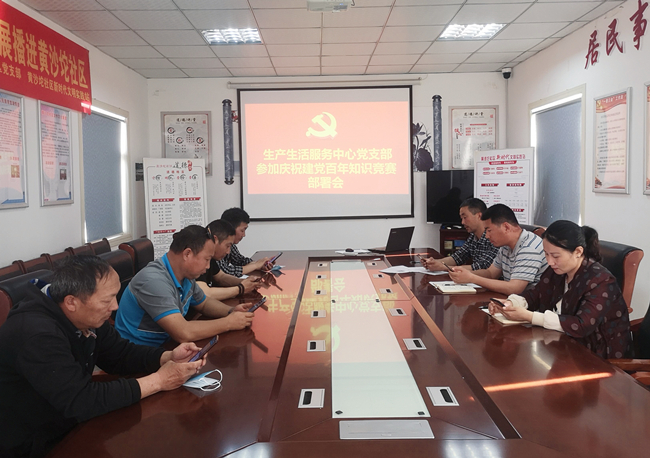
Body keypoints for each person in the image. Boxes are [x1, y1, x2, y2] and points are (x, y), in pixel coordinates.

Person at [0, 256, 206, 458]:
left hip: (68, 425)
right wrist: (160, 380)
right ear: (71, 302)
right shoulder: (36, 333)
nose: (115, 306)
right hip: (31, 443)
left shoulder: (86, 317)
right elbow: (80, 401)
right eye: (107, 300)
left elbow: (120, 354)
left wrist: (167, 357)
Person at [486, 220, 632, 359]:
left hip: (598, 355)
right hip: (563, 346)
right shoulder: (558, 271)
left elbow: (582, 325)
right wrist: (510, 303)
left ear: (578, 251)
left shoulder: (601, 280)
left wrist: (529, 316)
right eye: (546, 254)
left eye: (556, 256)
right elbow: (535, 295)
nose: (550, 262)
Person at [115, 225, 254, 347]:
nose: (208, 267)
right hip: (139, 354)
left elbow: (204, 303)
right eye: (206, 259)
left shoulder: (185, 276)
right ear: (187, 254)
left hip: (166, 346)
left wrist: (231, 311)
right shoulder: (154, 281)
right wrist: (229, 323)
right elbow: (183, 332)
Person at [447, 203, 547, 295]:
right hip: (512, 301)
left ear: (506, 227)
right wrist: (466, 274)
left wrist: (472, 278)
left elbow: (515, 288)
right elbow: (491, 273)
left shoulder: (529, 247)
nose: (486, 236)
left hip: (530, 305)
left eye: (489, 230)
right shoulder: (505, 246)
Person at [422, 198, 498, 272]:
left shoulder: (493, 238)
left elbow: (483, 266)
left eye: (465, 217)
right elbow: (458, 257)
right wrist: (434, 262)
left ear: (479, 216)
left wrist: (443, 267)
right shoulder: (473, 236)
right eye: (461, 218)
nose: (462, 222)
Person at [197, 219, 260, 300]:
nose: (228, 252)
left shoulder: (211, 258)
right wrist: (240, 289)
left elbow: (221, 277)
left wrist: (244, 282)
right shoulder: (198, 258)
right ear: (215, 240)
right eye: (227, 246)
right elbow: (205, 294)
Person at [217, 207, 271, 277]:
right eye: (242, 230)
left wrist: (261, 264)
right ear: (230, 228)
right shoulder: (216, 244)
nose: (244, 235)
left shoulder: (231, 245)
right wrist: (255, 265)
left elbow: (241, 261)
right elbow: (226, 271)